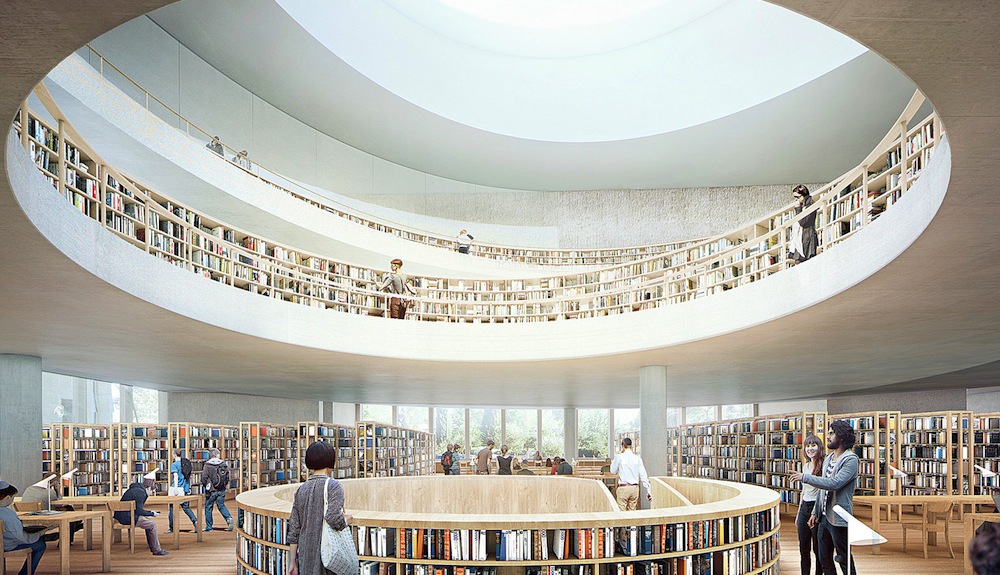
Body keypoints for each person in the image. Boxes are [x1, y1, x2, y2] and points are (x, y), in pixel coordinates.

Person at [792, 420, 859, 575]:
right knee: (824, 560)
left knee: (844, 560)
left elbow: (834, 483)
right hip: (823, 518)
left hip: (838, 519)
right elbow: (822, 490)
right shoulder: (829, 458)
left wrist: (805, 478)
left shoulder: (850, 460)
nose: (828, 436)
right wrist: (815, 512)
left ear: (841, 436)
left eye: (831, 433)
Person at [288, 441, 353, 575]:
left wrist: (292, 563)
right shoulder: (334, 486)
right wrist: (347, 520)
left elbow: (294, 530)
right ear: (331, 461)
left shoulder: (301, 490)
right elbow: (333, 519)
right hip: (327, 555)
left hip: (306, 557)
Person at [0, 480, 47, 575]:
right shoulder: (8, 515)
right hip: (7, 545)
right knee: (40, 544)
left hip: (3, 542)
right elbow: (20, 537)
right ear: (8, 497)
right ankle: (25, 573)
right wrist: (38, 534)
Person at [20, 476, 84, 543]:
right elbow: (59, 504)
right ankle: (69, 537)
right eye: (58, 482)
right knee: (69, 514)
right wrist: (58, 490)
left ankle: (76, 525)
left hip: (27, 520)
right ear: (53, 482)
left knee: (69, 509)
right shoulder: (50, 492)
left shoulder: (29, 489)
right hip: (43, 520)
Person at [795, 435, 825, 575]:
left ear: (819, 447)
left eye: (813, 445)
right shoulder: (805, 466)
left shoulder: (823, 466)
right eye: (807, 446)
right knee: (803, 547)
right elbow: (803, 491)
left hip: (816, 508)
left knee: (817, 548)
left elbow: (822, 492)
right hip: (804, 508)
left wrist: (815, 512)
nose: (810, 449)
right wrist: (798, 513)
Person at [117, 475, 169, 556]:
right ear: (148, 488)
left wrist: (149, 513)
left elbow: (137, 509)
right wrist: (152, 513)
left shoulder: (134, 489)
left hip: (121, 515)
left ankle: (153, 547)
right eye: (152, 491)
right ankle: (156, 550)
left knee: (147, 521)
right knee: (151, 525)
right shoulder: (141, 493)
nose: (151, 494)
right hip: (128, 517)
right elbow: (139, 510)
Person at [610, 437, 651, 510]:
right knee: (632, 512)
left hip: (623, 487)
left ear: (622, 445)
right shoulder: (637, 458)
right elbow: (643, 475)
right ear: (631, 446)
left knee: (621, 511)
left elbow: (612, 471)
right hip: (634, 488)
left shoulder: (619, 457)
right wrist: (648, 490)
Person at [166, 449, 198, 534]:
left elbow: (175, 477)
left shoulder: (174, 465)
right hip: (185, 488)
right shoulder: (186, 464)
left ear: (174, 455)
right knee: (186, 507)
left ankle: (172, 527)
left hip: (177, 488)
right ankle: (195, 521)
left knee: (172, 509)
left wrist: (175, 488)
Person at [202, 448, 234, 532]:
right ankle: (229, 518)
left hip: (211, 490)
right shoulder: (223, 464)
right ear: (217, 455)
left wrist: (206, 485)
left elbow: (204, 478)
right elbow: (227, 477)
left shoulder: (207, 465)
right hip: (221, 489)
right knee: (221, 505)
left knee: (208, 507)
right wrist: (224, 485)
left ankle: (209, 527)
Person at [789, 184, 818, 263]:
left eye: (798, 197)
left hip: (807, 238)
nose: (796, 200)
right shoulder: (803, 206)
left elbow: (803, 222)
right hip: (800, 238)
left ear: (804, 195)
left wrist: (798, 209)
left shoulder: (810, 205)